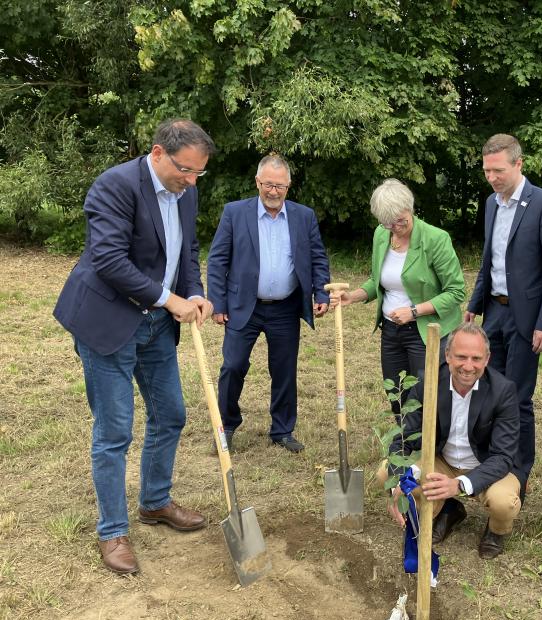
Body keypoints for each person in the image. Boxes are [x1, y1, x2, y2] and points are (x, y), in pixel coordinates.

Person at [53, 118, 216, 575]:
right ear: (158, 153)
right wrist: (171, 299)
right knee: (114, 430)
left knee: (171, 415)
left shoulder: (187, 192)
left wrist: (195, 291)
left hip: (156, 326)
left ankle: (155, 502)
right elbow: (108, 259)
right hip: (107, 320)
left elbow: (185, 252)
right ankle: (113, 532)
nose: (191, 180)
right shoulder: (115, 186)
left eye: (198, 173)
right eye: (185, 170)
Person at [206, 155, 331, 453]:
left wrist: (322, 294)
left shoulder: (304, 216)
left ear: (288, 185)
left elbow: (318, 258)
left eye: (280, 186)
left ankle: (283, 429)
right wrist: (218, 303)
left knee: (284, 369)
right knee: (233, 366)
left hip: (286, 307)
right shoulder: (235, 213)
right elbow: (217, 259)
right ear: (258, 183)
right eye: (268, 185)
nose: (273, 192)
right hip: (243, 305)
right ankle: (227, 425)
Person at [465, 134, 542, 488]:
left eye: (498, 170)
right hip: (494, 312)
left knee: (519, 398)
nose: (492, 177)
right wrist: (474, 305)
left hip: (527, 319)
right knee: (488, 390)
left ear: (518, 164)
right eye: (487, 171)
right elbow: (488, 261)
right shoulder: (492, 204)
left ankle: (518, 475)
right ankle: (491, 462)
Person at [378, 323, 522, 559]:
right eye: (461, 357)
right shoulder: (428, 382)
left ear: (487, 359)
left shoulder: (503, 391)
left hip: (485, 465)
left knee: (503, 502)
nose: (468, 366)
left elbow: (503, 457)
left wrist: (458, 484)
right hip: (442, 461)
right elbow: (403, 438)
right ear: (447, 355)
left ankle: (496, 531)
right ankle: (449, 509)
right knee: (386, 472)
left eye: (476, 358)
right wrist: (399, 481)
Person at [332, 178, 464, 417]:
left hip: (425, 332)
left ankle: (431, 451)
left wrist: (414, 311)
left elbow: (456, 291)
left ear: (410, 209)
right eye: (387, 223)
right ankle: (405, 449)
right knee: (395, 393)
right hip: (391, 332)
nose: (395, 227)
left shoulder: (435, 239)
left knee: (424, 396)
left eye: (400, 221)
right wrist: (352, 296)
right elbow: (378, 280)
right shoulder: (381, 236)